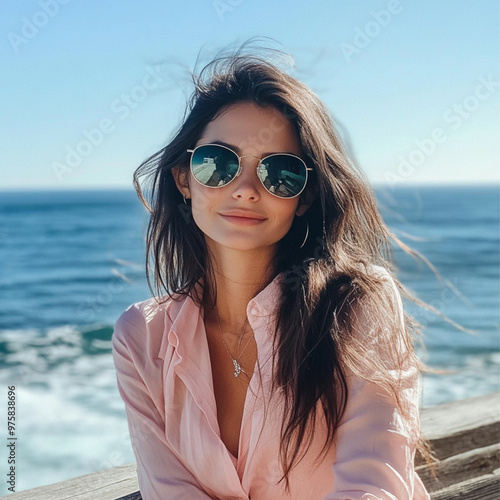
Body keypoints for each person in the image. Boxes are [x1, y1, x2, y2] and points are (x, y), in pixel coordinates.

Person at [112, 41, 432, 499]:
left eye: (279, 172)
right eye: (217, 163)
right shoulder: (141, 338)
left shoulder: (358, 306)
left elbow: (372, 490)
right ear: (184, 178)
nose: (244, 188)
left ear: (304, 197)